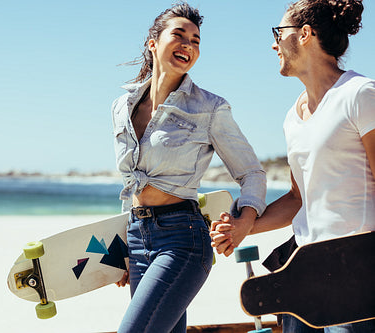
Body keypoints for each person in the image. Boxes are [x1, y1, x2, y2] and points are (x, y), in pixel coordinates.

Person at [210, 0, 375, 332]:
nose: (274, 43)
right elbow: (298, 199)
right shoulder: (292, 116)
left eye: (279, 33)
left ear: (305, 34)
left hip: (353, 270)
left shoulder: (360, 94)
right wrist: (245, 227)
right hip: (301, 270)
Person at [111, 3, 267, 332]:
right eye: (179, 36)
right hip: (138, 239)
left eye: (195, 41)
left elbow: (251, 172)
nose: (188, 45)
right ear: (152, 43)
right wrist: (124, 246)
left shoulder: (209, 108)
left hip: (182, 240)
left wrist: (245, 221)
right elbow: (131, 184)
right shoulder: (122, 106)